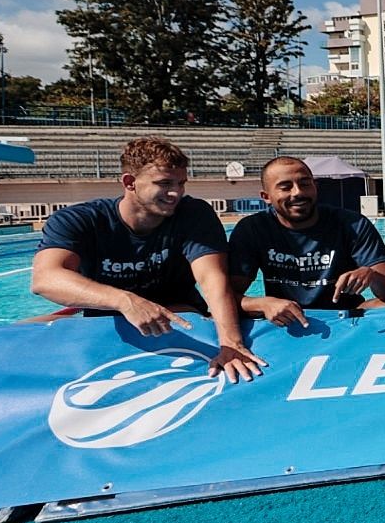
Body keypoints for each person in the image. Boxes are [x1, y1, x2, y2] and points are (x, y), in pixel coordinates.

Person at [29, 136, 264, 382]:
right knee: (19, 332)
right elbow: (45, 279)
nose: (176, 193)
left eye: (181, 183)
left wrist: (230, 344)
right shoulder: (80, 220)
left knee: (180, 315)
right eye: (164, 183)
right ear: (130, 183)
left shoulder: (193, 214)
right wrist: (125, 301)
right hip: (109, 319)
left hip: (179, 315)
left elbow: (212, 279)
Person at [227, 156, 385, 326]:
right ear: (266, 196)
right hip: (286, 318)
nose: (298, 192)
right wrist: (263, 304)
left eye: (304, 184)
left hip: (345, 316)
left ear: (315, 187)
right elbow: (225, 295)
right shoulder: (253, 229)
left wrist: (371, 274)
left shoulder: (352, 224)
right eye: (285, 187)